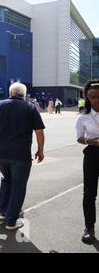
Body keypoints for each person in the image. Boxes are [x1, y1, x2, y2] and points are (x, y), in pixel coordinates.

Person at [0, 83, 45, 230]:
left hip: (1, 153)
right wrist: (40, 150)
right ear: (23, 94)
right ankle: (12, 221)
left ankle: (4, 212)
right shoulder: (30, 107)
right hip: (20, 154)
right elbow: (39, 132)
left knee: (6, 179)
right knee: (18, 186)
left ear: (10, 92)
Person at [75, 79, 99, 244]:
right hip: (92, 155)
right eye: (92, 97)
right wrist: (91, 142)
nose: (96, 100)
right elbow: (79, 139)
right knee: (89, 194)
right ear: (87, 98)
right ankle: (89, 228)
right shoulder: (83, 117)